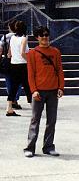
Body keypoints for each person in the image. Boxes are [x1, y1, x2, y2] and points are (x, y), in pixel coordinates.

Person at [24, 26, 65, 158]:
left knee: (51, 120)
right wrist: (34, 90)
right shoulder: (32, 53)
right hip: (39, 92)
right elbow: (31, 74)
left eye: (47, 35)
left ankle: (48, 147)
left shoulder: (55, 52)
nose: (45, 38)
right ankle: (30, 148)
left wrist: (61, 87)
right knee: (35, 120)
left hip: (53, 91)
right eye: (42, 35)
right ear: (37, 38)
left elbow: (59, 70)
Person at [5, 20, 32, 116]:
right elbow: (22, 52)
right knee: (28, 86)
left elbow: (9, 53)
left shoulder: (12, 38)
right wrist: (29, 61)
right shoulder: (24, 38)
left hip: (14, 64)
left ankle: (9, 108)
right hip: (23, 65)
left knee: (13, 87)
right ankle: (34, 108)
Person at [0, 21, 22, 109]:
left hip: (7, 62)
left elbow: (0, 50)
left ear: (10, 28)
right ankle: (15, 99)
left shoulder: (4, 37)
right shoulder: (21, 37)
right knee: (18, 81)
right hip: (18, 61)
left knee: (8, 81)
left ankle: (11, 99)